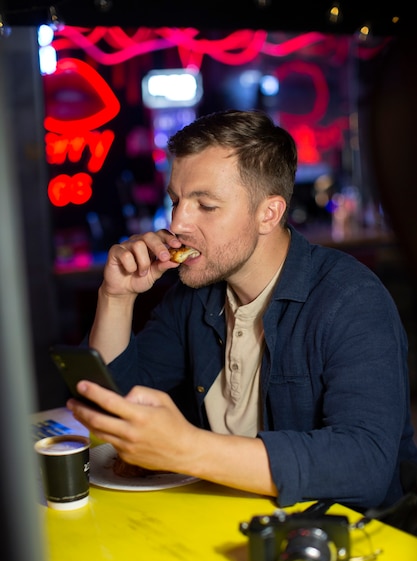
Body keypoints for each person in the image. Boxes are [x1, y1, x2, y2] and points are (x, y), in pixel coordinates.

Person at [67, 109, 417, 511]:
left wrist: (187, 449)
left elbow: (365, 465)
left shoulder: (350, 298)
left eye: (206, 205)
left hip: (346, 541)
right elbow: (114, 407)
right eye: (176, 201)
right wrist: (116, 297)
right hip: (224, 521)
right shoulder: (193, 294)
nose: (177, 222)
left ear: (269, 213)